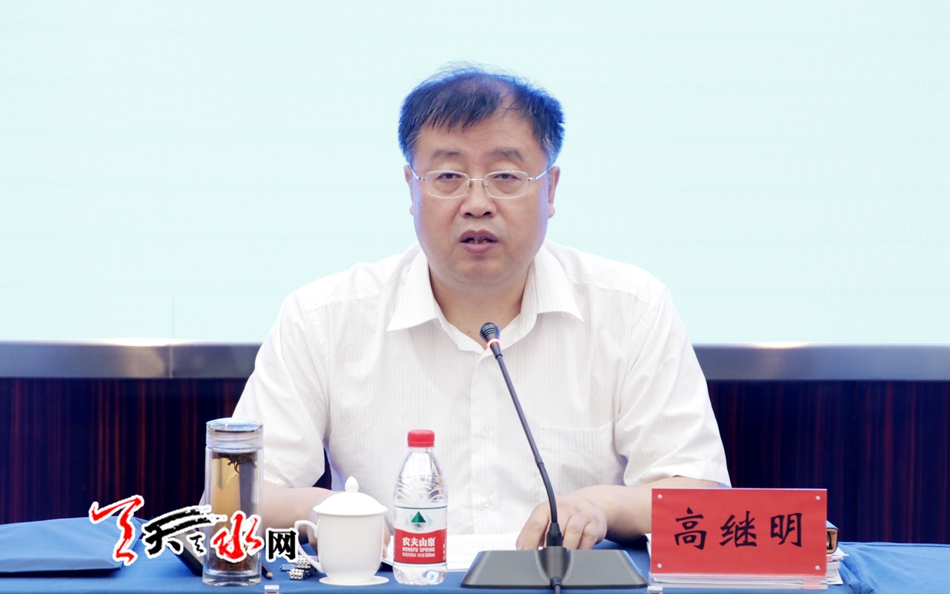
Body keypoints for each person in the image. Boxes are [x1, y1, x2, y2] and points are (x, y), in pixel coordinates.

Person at [232, 66, 730, 551]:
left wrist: (604, 505)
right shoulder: (323, 318)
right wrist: (325, 508)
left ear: (550, 189)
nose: (476, 203)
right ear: (411, 188)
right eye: (448, 176)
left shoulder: (631, 309)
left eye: (505, 176)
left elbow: (702, 498)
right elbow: (234, 501)